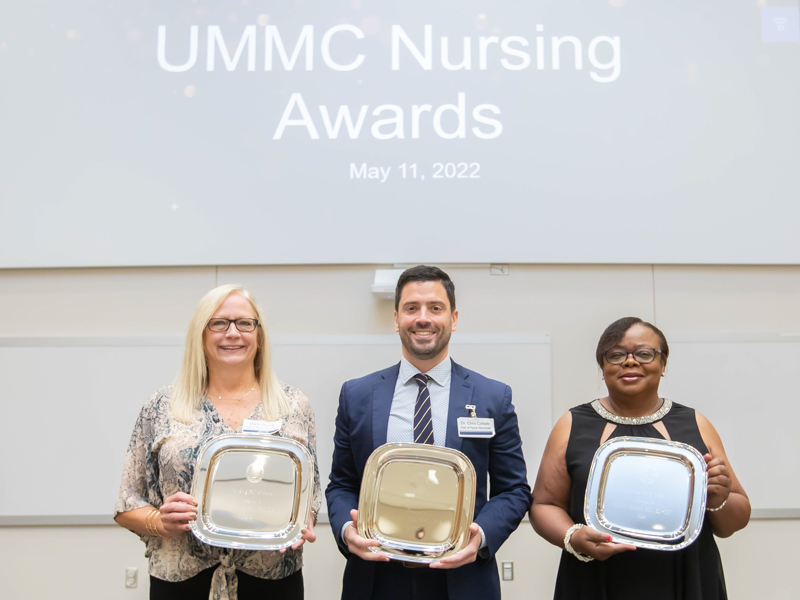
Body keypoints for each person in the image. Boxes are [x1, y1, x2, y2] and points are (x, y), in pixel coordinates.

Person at [326, 265, 531, 600]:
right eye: (411, 308)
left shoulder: (493, 397)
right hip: (378, 577)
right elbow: (342, 484)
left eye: (435, 308)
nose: (423, 318)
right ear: (396, 319)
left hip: (462, 578)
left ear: (454, 318)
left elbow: (514, 490)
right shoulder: (358, 395)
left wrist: (482, 535)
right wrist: (347, 530)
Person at [115, 285, 321, 600]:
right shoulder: (162, 405)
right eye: (219, 323)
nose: (232, 333)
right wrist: (160, 521)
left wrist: (301, 523)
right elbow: (126, 504)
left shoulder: (293, 405)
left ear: (259, 334)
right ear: (201, 333)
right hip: (181, 582)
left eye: (244, 323)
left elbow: (310, 495)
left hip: (272, 581)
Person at [530, 316, 750, 600]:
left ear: (663, 364)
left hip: (687, 577)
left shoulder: (696, 423)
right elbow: (543, 504)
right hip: (596, 576)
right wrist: (573, 537)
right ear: (602, 366)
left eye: (644, 354)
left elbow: (734, 520)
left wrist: (719, 499)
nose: (630, 362)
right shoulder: (571, 424)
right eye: (616, 355)